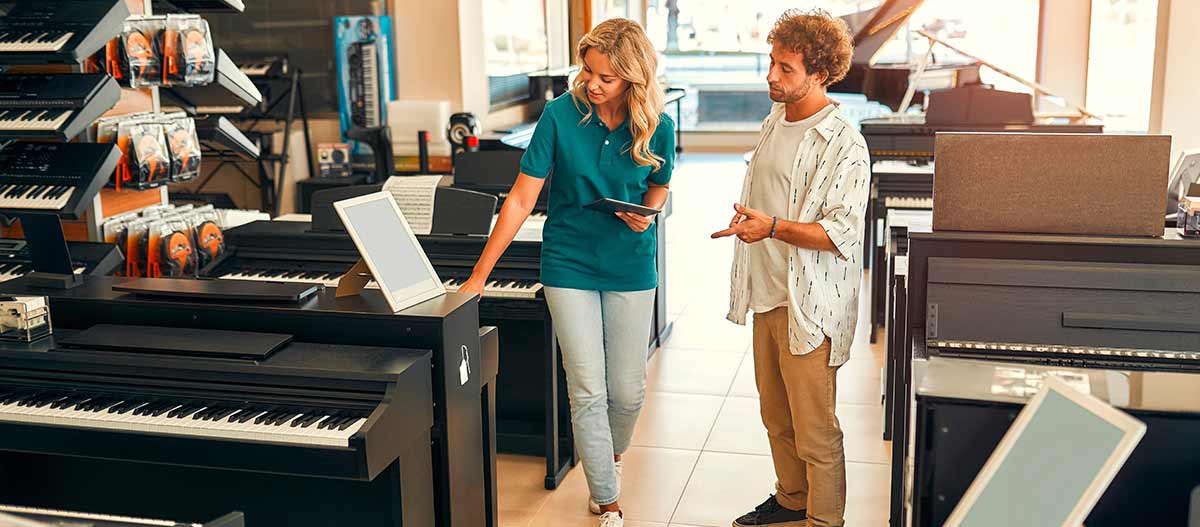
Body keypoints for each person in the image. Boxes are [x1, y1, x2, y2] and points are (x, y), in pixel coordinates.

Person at [459, 18, 675, 527]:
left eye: (605, 77)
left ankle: (609, 457)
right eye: (587, 71)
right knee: (587, 389)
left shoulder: (657, 123)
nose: (591, 84)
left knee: (627, 391)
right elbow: (520, 197)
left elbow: (661, 183)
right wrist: (478, 276)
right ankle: (607, 500)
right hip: (567, 261)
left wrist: (646, 210)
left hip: (630, 262)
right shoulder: (559, 115)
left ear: (633, 79)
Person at [710, 9, 869, 527]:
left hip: (813, 304)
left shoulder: (844, 143)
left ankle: (825, 520)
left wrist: (772, 227)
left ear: (820, 74)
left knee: (816, 428)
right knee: (776, 416)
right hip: (768, 293)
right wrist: (752, 224)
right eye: (771, 63)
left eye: (786, 68)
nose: (772, 76)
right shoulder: (775, 120)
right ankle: (792, 499)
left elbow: (838, 233)